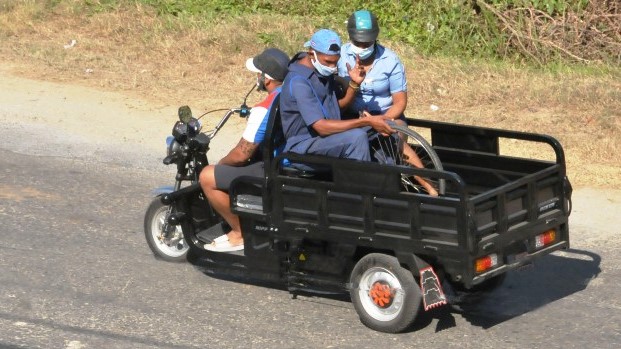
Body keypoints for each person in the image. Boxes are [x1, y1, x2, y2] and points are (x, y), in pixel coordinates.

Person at [337, 10, 438, 196]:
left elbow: (400, 102)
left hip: (387, 114)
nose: (362, 46)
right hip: (351, 115)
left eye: (366, 43)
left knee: (395, 141)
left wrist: (381, 119)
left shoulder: (390, 61)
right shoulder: (342, 55)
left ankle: (430, 187)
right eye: (358, 42)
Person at [198, 48, 289, 252]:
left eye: (258, 74)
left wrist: (221, 165)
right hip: (283, 160)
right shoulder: (291, 94)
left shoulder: (265, 107)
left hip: (272, 168)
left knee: (207, 176)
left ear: (267, 79)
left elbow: (242, 153)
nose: (256, 78)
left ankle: (239, 233)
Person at [280, 29, 393, 162]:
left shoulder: (321, 72)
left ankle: (393, 178)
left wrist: (354, 85)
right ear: (311, 54)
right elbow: (321, 127)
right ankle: (359, 181)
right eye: (328, 62)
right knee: (356, 137)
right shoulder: (299, 82)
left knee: (380, 129)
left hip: (327, 138)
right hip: (304, 145)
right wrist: (364, 121)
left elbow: (335, 110)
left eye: (336, 62)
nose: (333, 67)